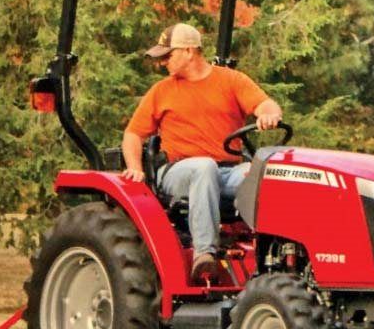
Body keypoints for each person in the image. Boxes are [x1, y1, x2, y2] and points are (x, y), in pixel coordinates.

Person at [121, 23, 283, 283]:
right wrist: (135, 167)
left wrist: (268, 114)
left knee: (263, 175)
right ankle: (204, 256)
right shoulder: (162, 91)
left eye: (167, 55)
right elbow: (132, 135)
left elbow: (265, 103)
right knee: (204, 167)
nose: (162, 63)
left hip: (226, 171)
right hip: (178, 172)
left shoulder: (231, 80)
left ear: (189, 51)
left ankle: (275, 263)